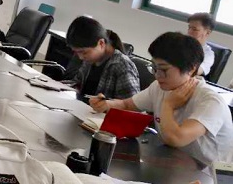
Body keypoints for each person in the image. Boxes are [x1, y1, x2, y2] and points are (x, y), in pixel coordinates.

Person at [91, 32, 233, 164]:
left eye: (164, 69)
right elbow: (127, 105)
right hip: (174, 162)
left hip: (206, 173)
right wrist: (106, 104)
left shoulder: (210, 102)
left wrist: (168, 105)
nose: (157, 75)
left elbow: (176, 138)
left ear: (191, 69)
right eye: (154, 68)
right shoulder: (160, 87)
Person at [64, 16, 139, 100]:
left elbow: (130, 105)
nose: (80, 57)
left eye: (84, 52)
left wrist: (107, 104)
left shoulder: (122, 66)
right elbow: (78, 83)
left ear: (101, 43)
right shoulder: (91, 59)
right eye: (76, 52)